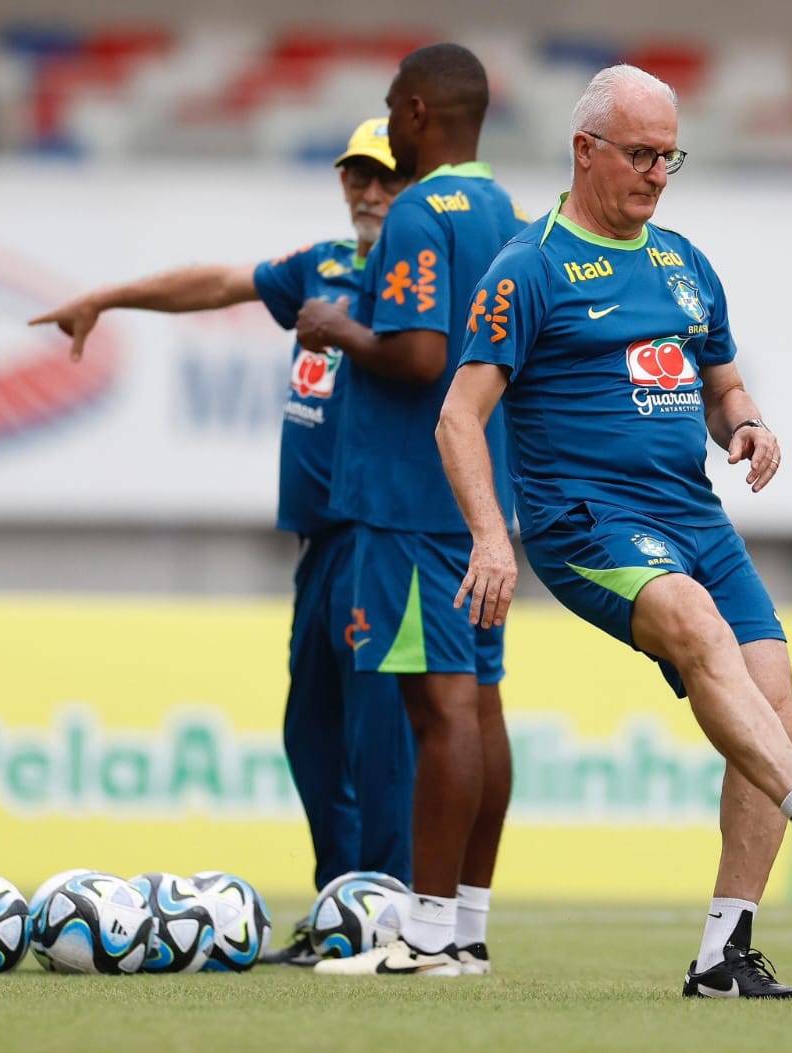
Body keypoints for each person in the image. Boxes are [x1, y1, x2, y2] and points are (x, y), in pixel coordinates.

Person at [435, 64, 792, 1000]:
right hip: (586, 522)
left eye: (669, 155)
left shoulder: (683, 261)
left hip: (693, 514)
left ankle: (725, 952)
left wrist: (749, 424)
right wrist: (489, 537)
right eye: (639, 154)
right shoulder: (530, 267)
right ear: (584, 150)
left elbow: (721, 385)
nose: (656, 174)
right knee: (693, 624)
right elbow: (458, 417)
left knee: (774, 695)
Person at [26, 120, 423, 965]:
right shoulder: (321, 263)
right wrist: (110, 295)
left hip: (386, 530)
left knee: (377, 733)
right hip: (321, 537)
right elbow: (216, 284)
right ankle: (340, 910)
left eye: (387, 175)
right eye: (357, 173)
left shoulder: (427, 276)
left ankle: (390, 919)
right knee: (312, 733)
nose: (368, 189)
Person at [293, 43, 526, 978]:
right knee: (482, 708)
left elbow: (421, 357)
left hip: (409, 501)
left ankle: (426, 936)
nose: (387, 124)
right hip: (480, 501)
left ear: (422, 111)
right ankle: (464, 925)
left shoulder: (421, 211)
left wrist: (338, 326)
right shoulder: (508, 212)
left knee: (439, 715)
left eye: (392, 107)